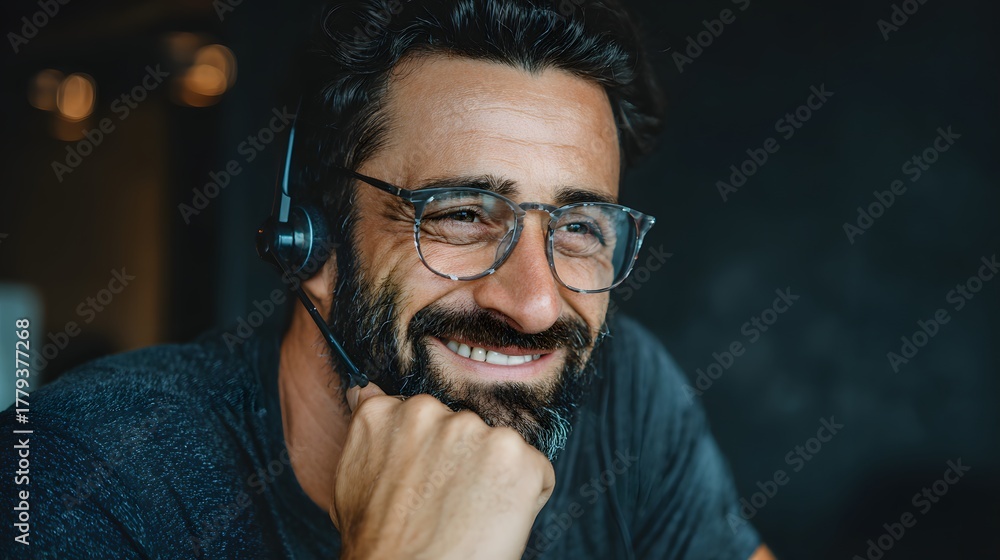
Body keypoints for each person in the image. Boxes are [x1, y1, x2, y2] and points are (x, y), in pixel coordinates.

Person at [1, 1, 774, 558]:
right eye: (464, 214)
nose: (537, 304)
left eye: (577, 228)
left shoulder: (626, 396)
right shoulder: (82, 472)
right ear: (314, 236)